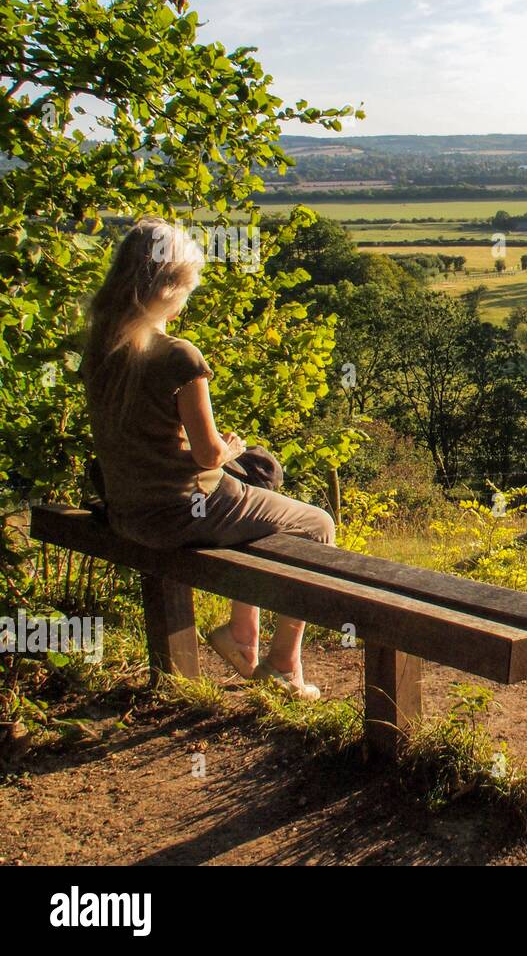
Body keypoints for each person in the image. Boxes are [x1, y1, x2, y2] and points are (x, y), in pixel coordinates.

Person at [80, 217, 335, 699]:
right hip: (180, 512)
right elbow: (208, 454)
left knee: (256, 488)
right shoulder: (178, 356)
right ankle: (282, 667)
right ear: (169, 285)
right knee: (317, 524)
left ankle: (243, 637)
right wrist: (231, 448)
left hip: (129, 511)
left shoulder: (101, 347)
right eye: (186, 288)